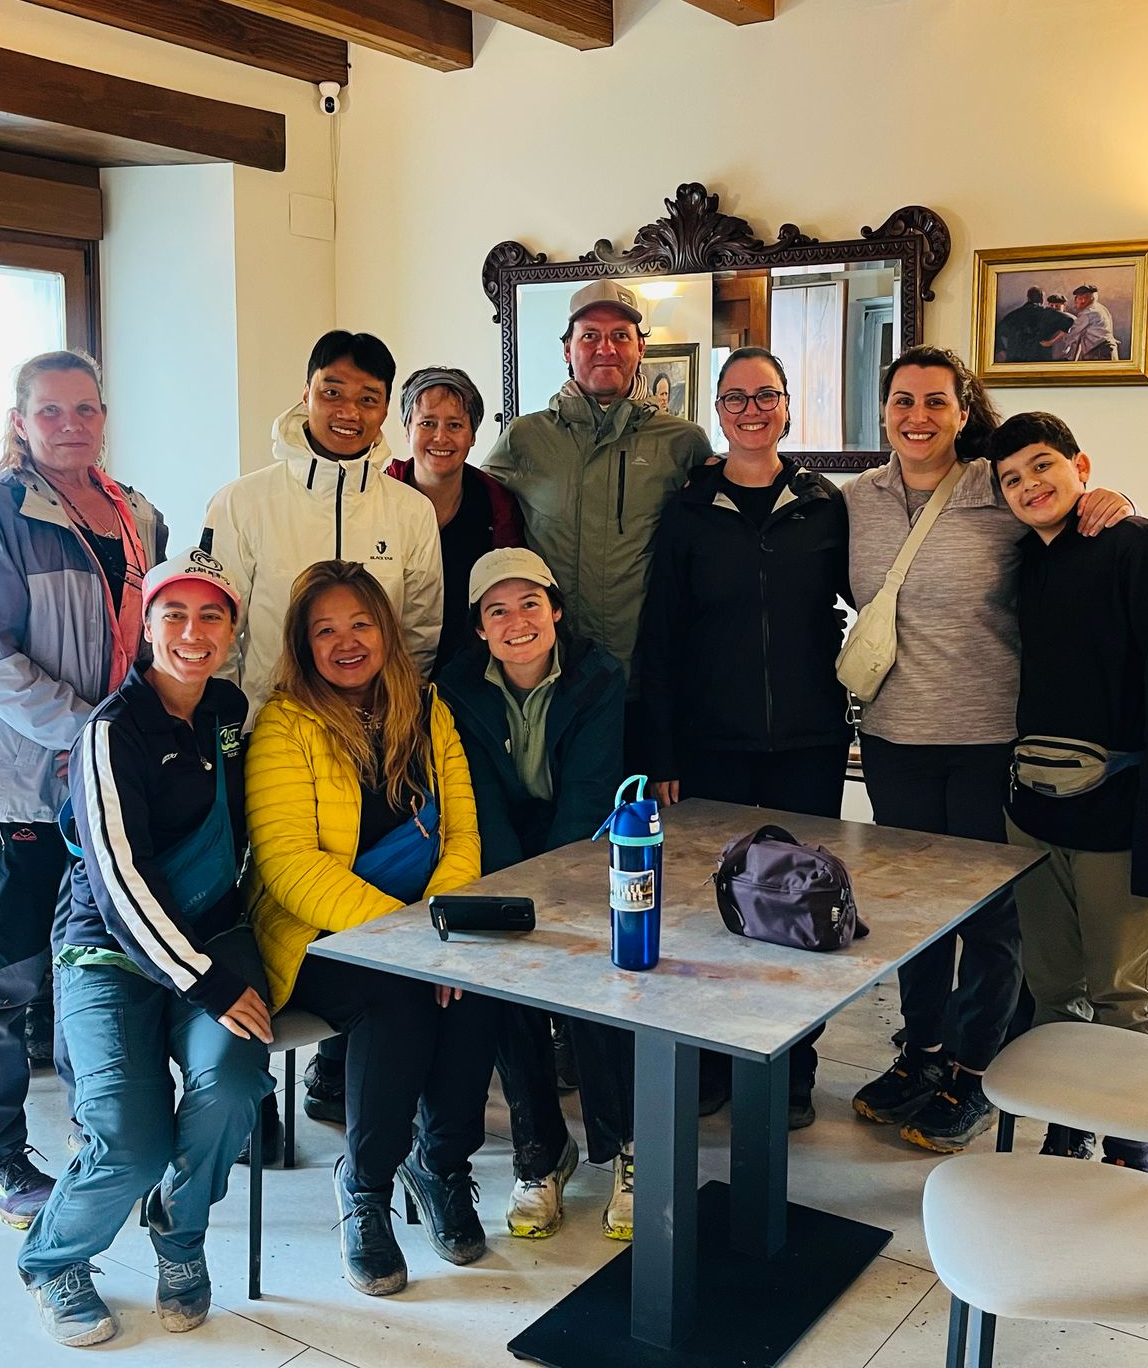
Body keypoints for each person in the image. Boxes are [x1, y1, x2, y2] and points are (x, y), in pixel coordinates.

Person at [842, 347, 1131, 1156]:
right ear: (885, 410)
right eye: (903, 401)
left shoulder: (998, 490)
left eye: (936, 401)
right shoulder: (857, 499)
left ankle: (974, 1069)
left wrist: (1118, 497)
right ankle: (921, 1053)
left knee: (993, 916)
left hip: (988, 738)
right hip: (894, 738)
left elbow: (1080, 526)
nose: (918, 417)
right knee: (915, 914)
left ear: (964, 411)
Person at [0, 349, 168, 1228]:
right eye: (52, 412)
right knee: (3, 978)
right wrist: (90, 730)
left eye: (87, 410)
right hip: (10, 788)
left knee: (87, 967)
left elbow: (148, 641)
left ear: (105, 416)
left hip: (97, 784)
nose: (72, 425)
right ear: (21, 421)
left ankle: (99, 1142)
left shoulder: (138, 514)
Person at [16, 548, 274, 1346]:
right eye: (174, 615)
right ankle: (55, 1259)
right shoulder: (110, 732)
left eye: (211, 616)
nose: (192, 633)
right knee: (131, 1141)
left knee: (232, 1084)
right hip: (111, 951)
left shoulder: (229, 710)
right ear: (146, 626)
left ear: (232, 629)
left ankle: (180, 1234)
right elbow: (119, 886)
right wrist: (209, 984)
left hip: (213, 936)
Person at [245, 561, 493, 1298]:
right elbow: (289, 867)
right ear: (303, 644)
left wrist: (440, 935)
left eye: (360, 623)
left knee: (480, 981)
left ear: (385, 629)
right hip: (315, 931)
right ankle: (366, 1187)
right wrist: (409, 943)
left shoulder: (430, 708)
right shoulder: (285, 724)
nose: (346, 641)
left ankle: (441, 1165)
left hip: (422, 925)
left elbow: (462, 836)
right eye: (325, 630)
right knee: (399, 996)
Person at [636, 346, 851, 1128]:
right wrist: (659, 753)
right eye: (735, 398)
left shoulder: (827, 505)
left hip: (807, 742)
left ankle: (793, 1067)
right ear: (717, 414)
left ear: (788, 407)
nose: (751, 409)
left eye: (766, 395)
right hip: (708, 744)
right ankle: (713, 1058)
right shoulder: (690, 509)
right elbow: (658, 638)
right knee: (712, 907)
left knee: (801, 903)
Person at [990, 412, 1148, 1174]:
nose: (1029, 486)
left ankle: (1127, 1145)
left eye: (1043, 466)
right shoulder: (1026, 562)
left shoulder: (1141, 550)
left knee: (1123, 999)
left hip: (1123, 820)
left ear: (1081, 464)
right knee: (1053, 988)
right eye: (1012, 478)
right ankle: (1066, 1125)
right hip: (1036, 815)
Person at [437, 547, 637, 1242]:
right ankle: (539, 1149)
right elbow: (478, 798)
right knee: (502, 977)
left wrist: (550, 901)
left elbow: (588, 794)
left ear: (555, 610)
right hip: (499, 853)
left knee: (592, 976)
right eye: (498, 610)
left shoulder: (600, 676)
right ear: (480, 629)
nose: (516, 621)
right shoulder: (455, 688)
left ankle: (626, 1147)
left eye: (530, 604)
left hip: (581, 847)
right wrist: (513, 905)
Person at [482, 279, 710, 755]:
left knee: (646, 823)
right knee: (567, 824)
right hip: (549, 682)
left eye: (620, 335)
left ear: (640, 348)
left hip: (644, 686)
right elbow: (472, 509)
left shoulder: (681, 442)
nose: (605, 348)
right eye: (590, 335)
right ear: (568, 349)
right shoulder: (526, 438)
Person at [204, 329, 443, 725]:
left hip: (378, 735)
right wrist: (230, 729)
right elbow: (219, 632)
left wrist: (396, 719)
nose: (349, 412)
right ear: (306, 394)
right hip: (269, 731)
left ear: (384, 411)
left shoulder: (412, 511)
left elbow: (418, 634)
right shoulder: (241, 503)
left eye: (368, 399)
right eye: (332, 393)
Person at [385, 366, 523, 677]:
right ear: (407, 429)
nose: (440, 437)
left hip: (474, 676)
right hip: (387, 676)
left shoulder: (497, 503)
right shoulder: (377, 501)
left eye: (455, 425)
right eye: (427, 423)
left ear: (473, 435)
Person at [992, 287, 1075, 365]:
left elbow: (997, 331)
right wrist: (1051, 342)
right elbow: (1070, 320)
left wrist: (1001, 350)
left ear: (1028, 298)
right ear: (1042, 299)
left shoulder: (1014, 314)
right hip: (1039, 360)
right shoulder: (1047, 313)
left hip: (1014, 360)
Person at [1052, 285, 1118, 362]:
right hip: (1109, 352)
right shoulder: (1101, 308)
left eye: (1079, 298)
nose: (1076, 302)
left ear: (1084, 300)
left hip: (1098, 354)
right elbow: (1079, 339)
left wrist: (1051, 342)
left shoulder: (1087, 313)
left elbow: (1071, 334)